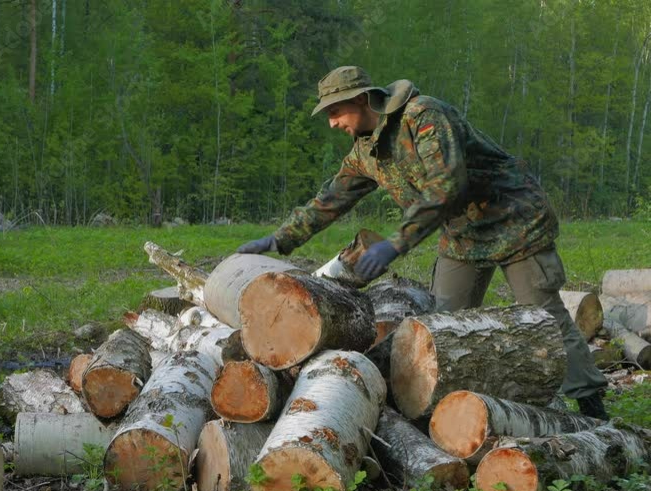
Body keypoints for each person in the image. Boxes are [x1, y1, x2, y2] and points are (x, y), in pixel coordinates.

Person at [237, 66, 609, 419]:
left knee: (544, 316)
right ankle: (449, 408)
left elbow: (446, 187)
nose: (333, 122)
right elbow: (330, 199)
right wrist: (280, 238)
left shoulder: (424, 117)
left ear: (362, 100)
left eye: (336, 111)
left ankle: (592, 403)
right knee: (441, 324)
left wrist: (395, 244)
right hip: (463, 235)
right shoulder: (366, 151)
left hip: (514, 220)